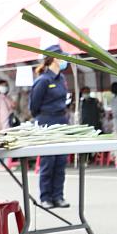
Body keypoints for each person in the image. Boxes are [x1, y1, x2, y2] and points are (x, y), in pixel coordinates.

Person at [29, 45, 71, 208]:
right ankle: (45, 197)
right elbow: (33, 106)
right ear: (54, 58)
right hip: (47, 121)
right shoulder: (43, 80)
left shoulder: (61, 79)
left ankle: (58, 196)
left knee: (60, 161)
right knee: (48, 161)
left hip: (61, 121)